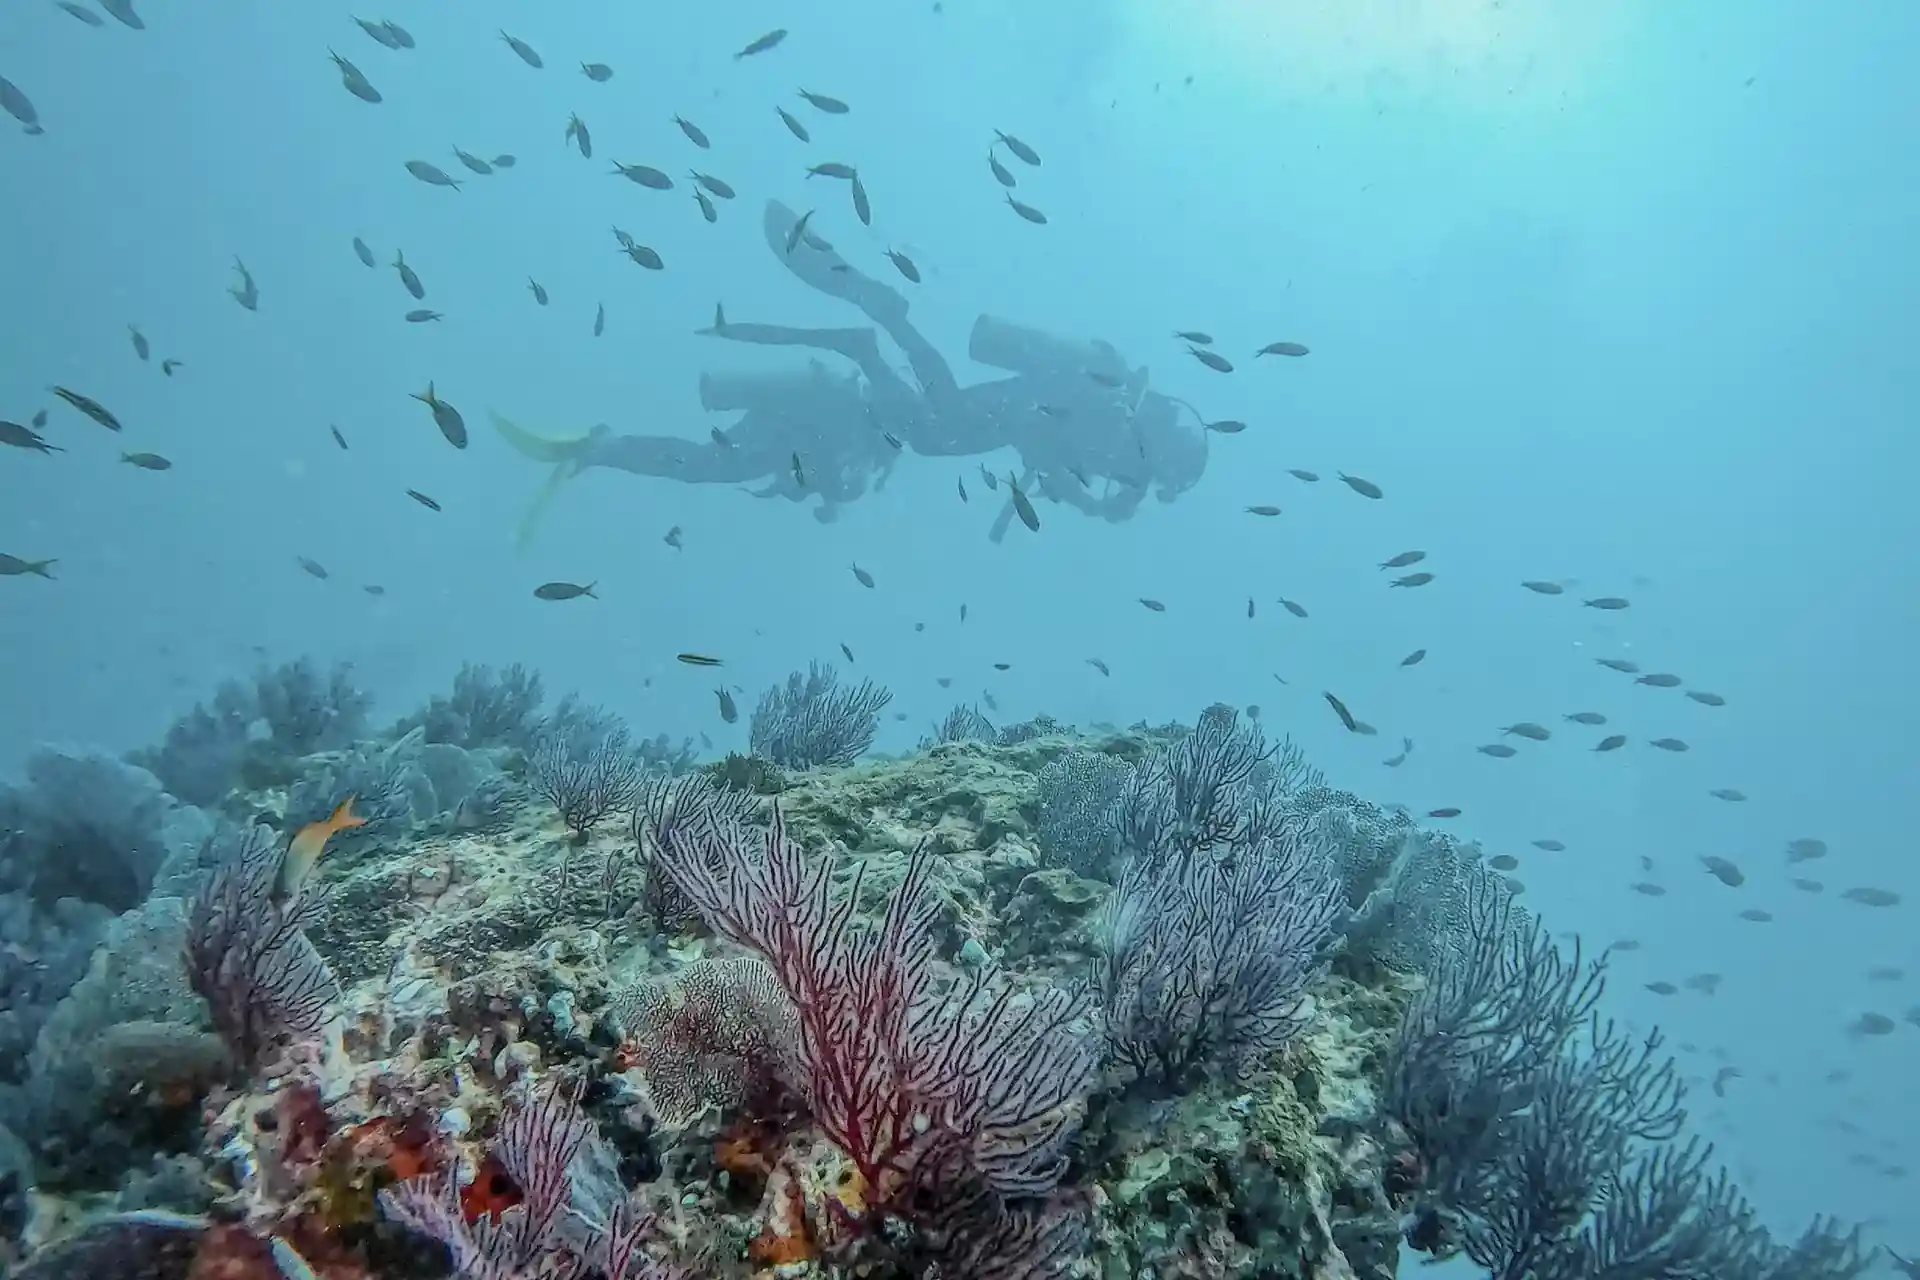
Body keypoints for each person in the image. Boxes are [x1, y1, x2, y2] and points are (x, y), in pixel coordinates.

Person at [493, 200, 1208, 539]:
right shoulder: (1098, 411)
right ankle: (876, 323)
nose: (1139, 484)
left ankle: (600, 448)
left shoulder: (1105, 429)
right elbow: (1043, 448)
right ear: (1156, 445)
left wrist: (1093, 501)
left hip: (870, 422)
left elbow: (1048, 461)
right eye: (1154, 474)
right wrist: (1093, 502)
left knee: (723, 468)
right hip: (931, 421)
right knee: (938, 417)